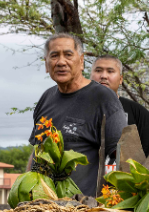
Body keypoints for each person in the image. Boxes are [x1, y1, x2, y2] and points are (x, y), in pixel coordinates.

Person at [28, 33, 127, 197]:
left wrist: (114, 201)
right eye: (54, 56)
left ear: (81, 62)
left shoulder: (102, 98)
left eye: (68, 55)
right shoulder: (46, 98)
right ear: (46, 64)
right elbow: (36, 153)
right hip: (43, 209)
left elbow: (123, 156)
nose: (61, 62)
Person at [90, 54, 149, 156]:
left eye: (110, 71)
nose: (103, 76)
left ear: (121, 79)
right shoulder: (75, 109)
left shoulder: (139, 114)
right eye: (98, 70)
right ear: (90, 76)